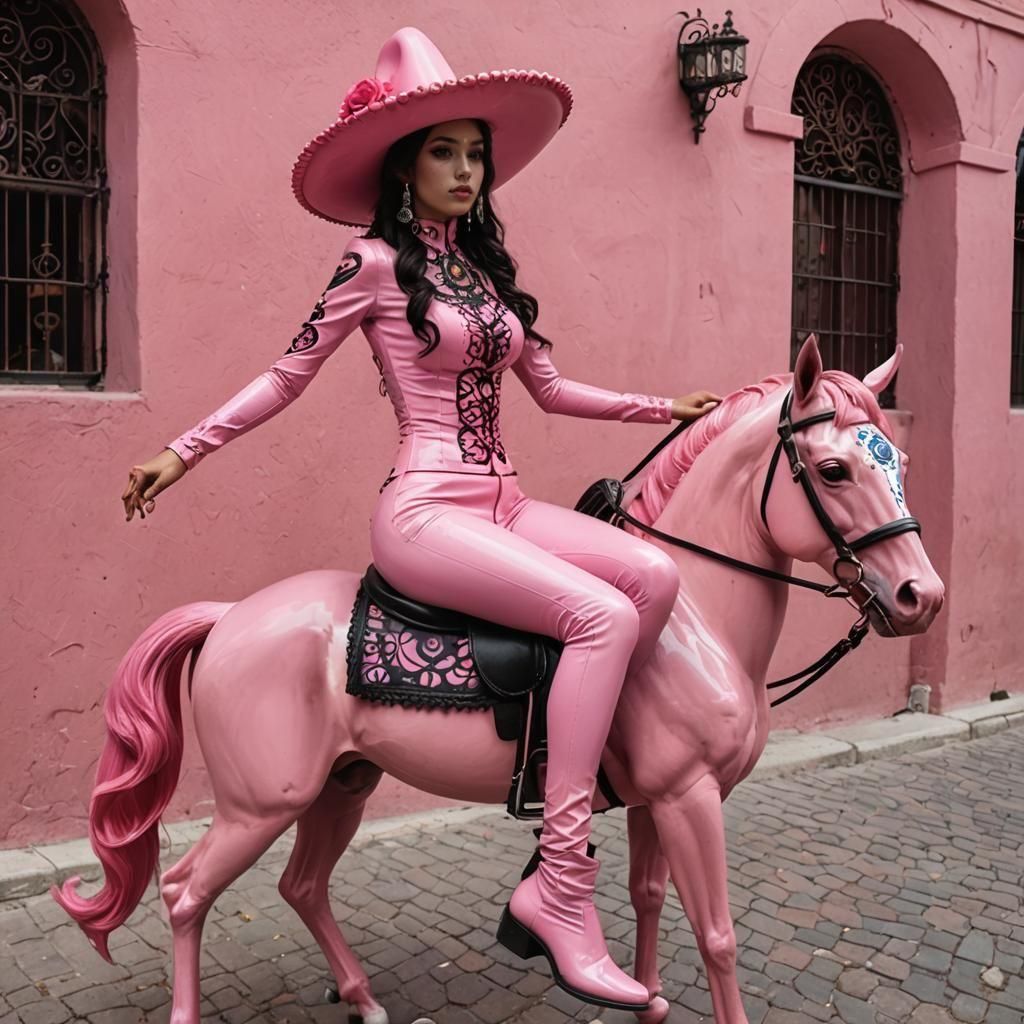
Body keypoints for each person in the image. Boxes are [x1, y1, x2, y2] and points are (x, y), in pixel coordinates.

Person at [121, 27, 720, 1012]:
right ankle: (562, 885)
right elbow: (285, 376)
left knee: (653, 577)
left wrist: (666, 408)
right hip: (425, 507)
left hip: (507, 498)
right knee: (603, 616)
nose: (462, 168)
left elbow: (555, 389)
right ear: (403, 165)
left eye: (472, 151)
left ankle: (574, 772)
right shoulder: (369, 265)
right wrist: (180, 451)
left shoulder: (484, 275)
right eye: (441, 151)